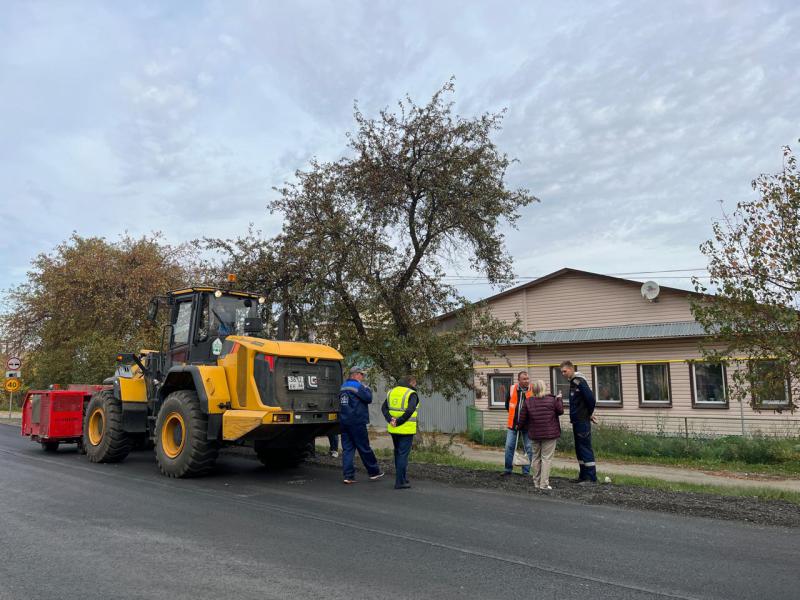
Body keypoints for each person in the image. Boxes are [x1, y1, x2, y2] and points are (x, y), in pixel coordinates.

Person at [338, 366, 383, 484]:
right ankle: (374, 472)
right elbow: (368, 398)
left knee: (347, 449)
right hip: (357, 422)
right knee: (364, 447)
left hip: (344, 421)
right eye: (361, 374)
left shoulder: (343, 386)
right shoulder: (358, 386)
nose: (363, 377)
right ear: (356, 374)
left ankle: (348, 476)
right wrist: (367, 388)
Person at [517, 380, 563, 490]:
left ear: (533, 389)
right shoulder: (552, 400)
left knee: (536, 458)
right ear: (543, 388)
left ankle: (536, 483)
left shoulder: (528, 401)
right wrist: (559, 399)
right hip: (549, 434)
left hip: (534, 434)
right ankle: (544, 484)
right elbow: (560, 411)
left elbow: (522, 418)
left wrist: (518, 428)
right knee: (546, 459)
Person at [560, 360, 598, 484]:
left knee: (585, 448)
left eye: (565, 371)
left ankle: (591, 478)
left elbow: (591, 400)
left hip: (582, 421)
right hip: (576, 421)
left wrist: (589, 414)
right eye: (562, 372)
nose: (563, 374)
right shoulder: (573, 383)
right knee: (579, 449)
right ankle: (583, 475)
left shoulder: (580, 382)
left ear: (571, 369)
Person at [382, 375, 420, 490]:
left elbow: (384, 408)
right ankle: (400, 482)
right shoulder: (411, 393)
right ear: (411, 382)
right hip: (406, 429)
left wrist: (390, 420)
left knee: (398, 453)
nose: (415, 386)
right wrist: (399, 421)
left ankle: (402, 478)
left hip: (394, 429)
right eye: (415, 383)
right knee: (403, 455)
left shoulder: (391, 392)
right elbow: (410, 410)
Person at [502, 371, 533, 476]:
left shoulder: (533, 390)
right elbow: (507, 405)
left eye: (528, 378)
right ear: (519, 380)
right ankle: (507, 470)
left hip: (528, 426)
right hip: (513, 425)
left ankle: (526, 472)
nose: (527, 381)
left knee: (528, 448)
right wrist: (514, 417)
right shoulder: (512, 389)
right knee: (509, 447)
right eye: (524, 379)